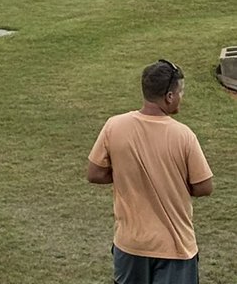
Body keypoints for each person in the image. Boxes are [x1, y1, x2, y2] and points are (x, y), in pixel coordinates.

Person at [87, 59, 213, 284]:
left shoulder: (114, 126)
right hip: (175, 247)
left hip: (130, 245)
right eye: (180, 92)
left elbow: (95, 173)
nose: (181, 97)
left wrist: (126, 175)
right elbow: (204, 187)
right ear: (169, 97)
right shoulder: (183, 135)